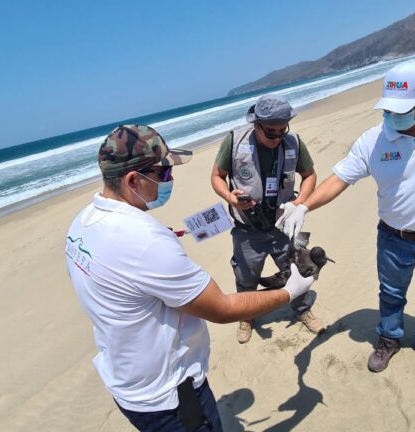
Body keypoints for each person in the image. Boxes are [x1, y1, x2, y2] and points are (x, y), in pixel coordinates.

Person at [65, 124, 315, 432]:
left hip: (126, 380)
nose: (170, 180)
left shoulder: (83, 222)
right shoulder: (144, 242)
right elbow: (221, 308)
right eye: (165, 174)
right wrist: (290, 292)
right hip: (171, 394)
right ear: (133, 180)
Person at [282, 61, 415, 376]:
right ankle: (389, 339)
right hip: (394, 239)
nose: (393, 117)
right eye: (389, 110)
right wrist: (303, 206)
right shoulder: (374, 139)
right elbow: (339, 178)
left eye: (402, 110)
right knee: (391, 293)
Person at [210, 94, 323, 344]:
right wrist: (229, 196)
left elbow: (310, 175)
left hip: (284, 225)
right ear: (256, 125)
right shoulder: (233, 141)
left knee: (297, 268)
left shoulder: (293, 142)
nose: (278, 137)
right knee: (246, 276)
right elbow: (217, 176)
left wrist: (298, 204)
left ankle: (303, 310)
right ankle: (247, 316)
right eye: (271, 132)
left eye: (283, 130)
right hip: (247, 230)